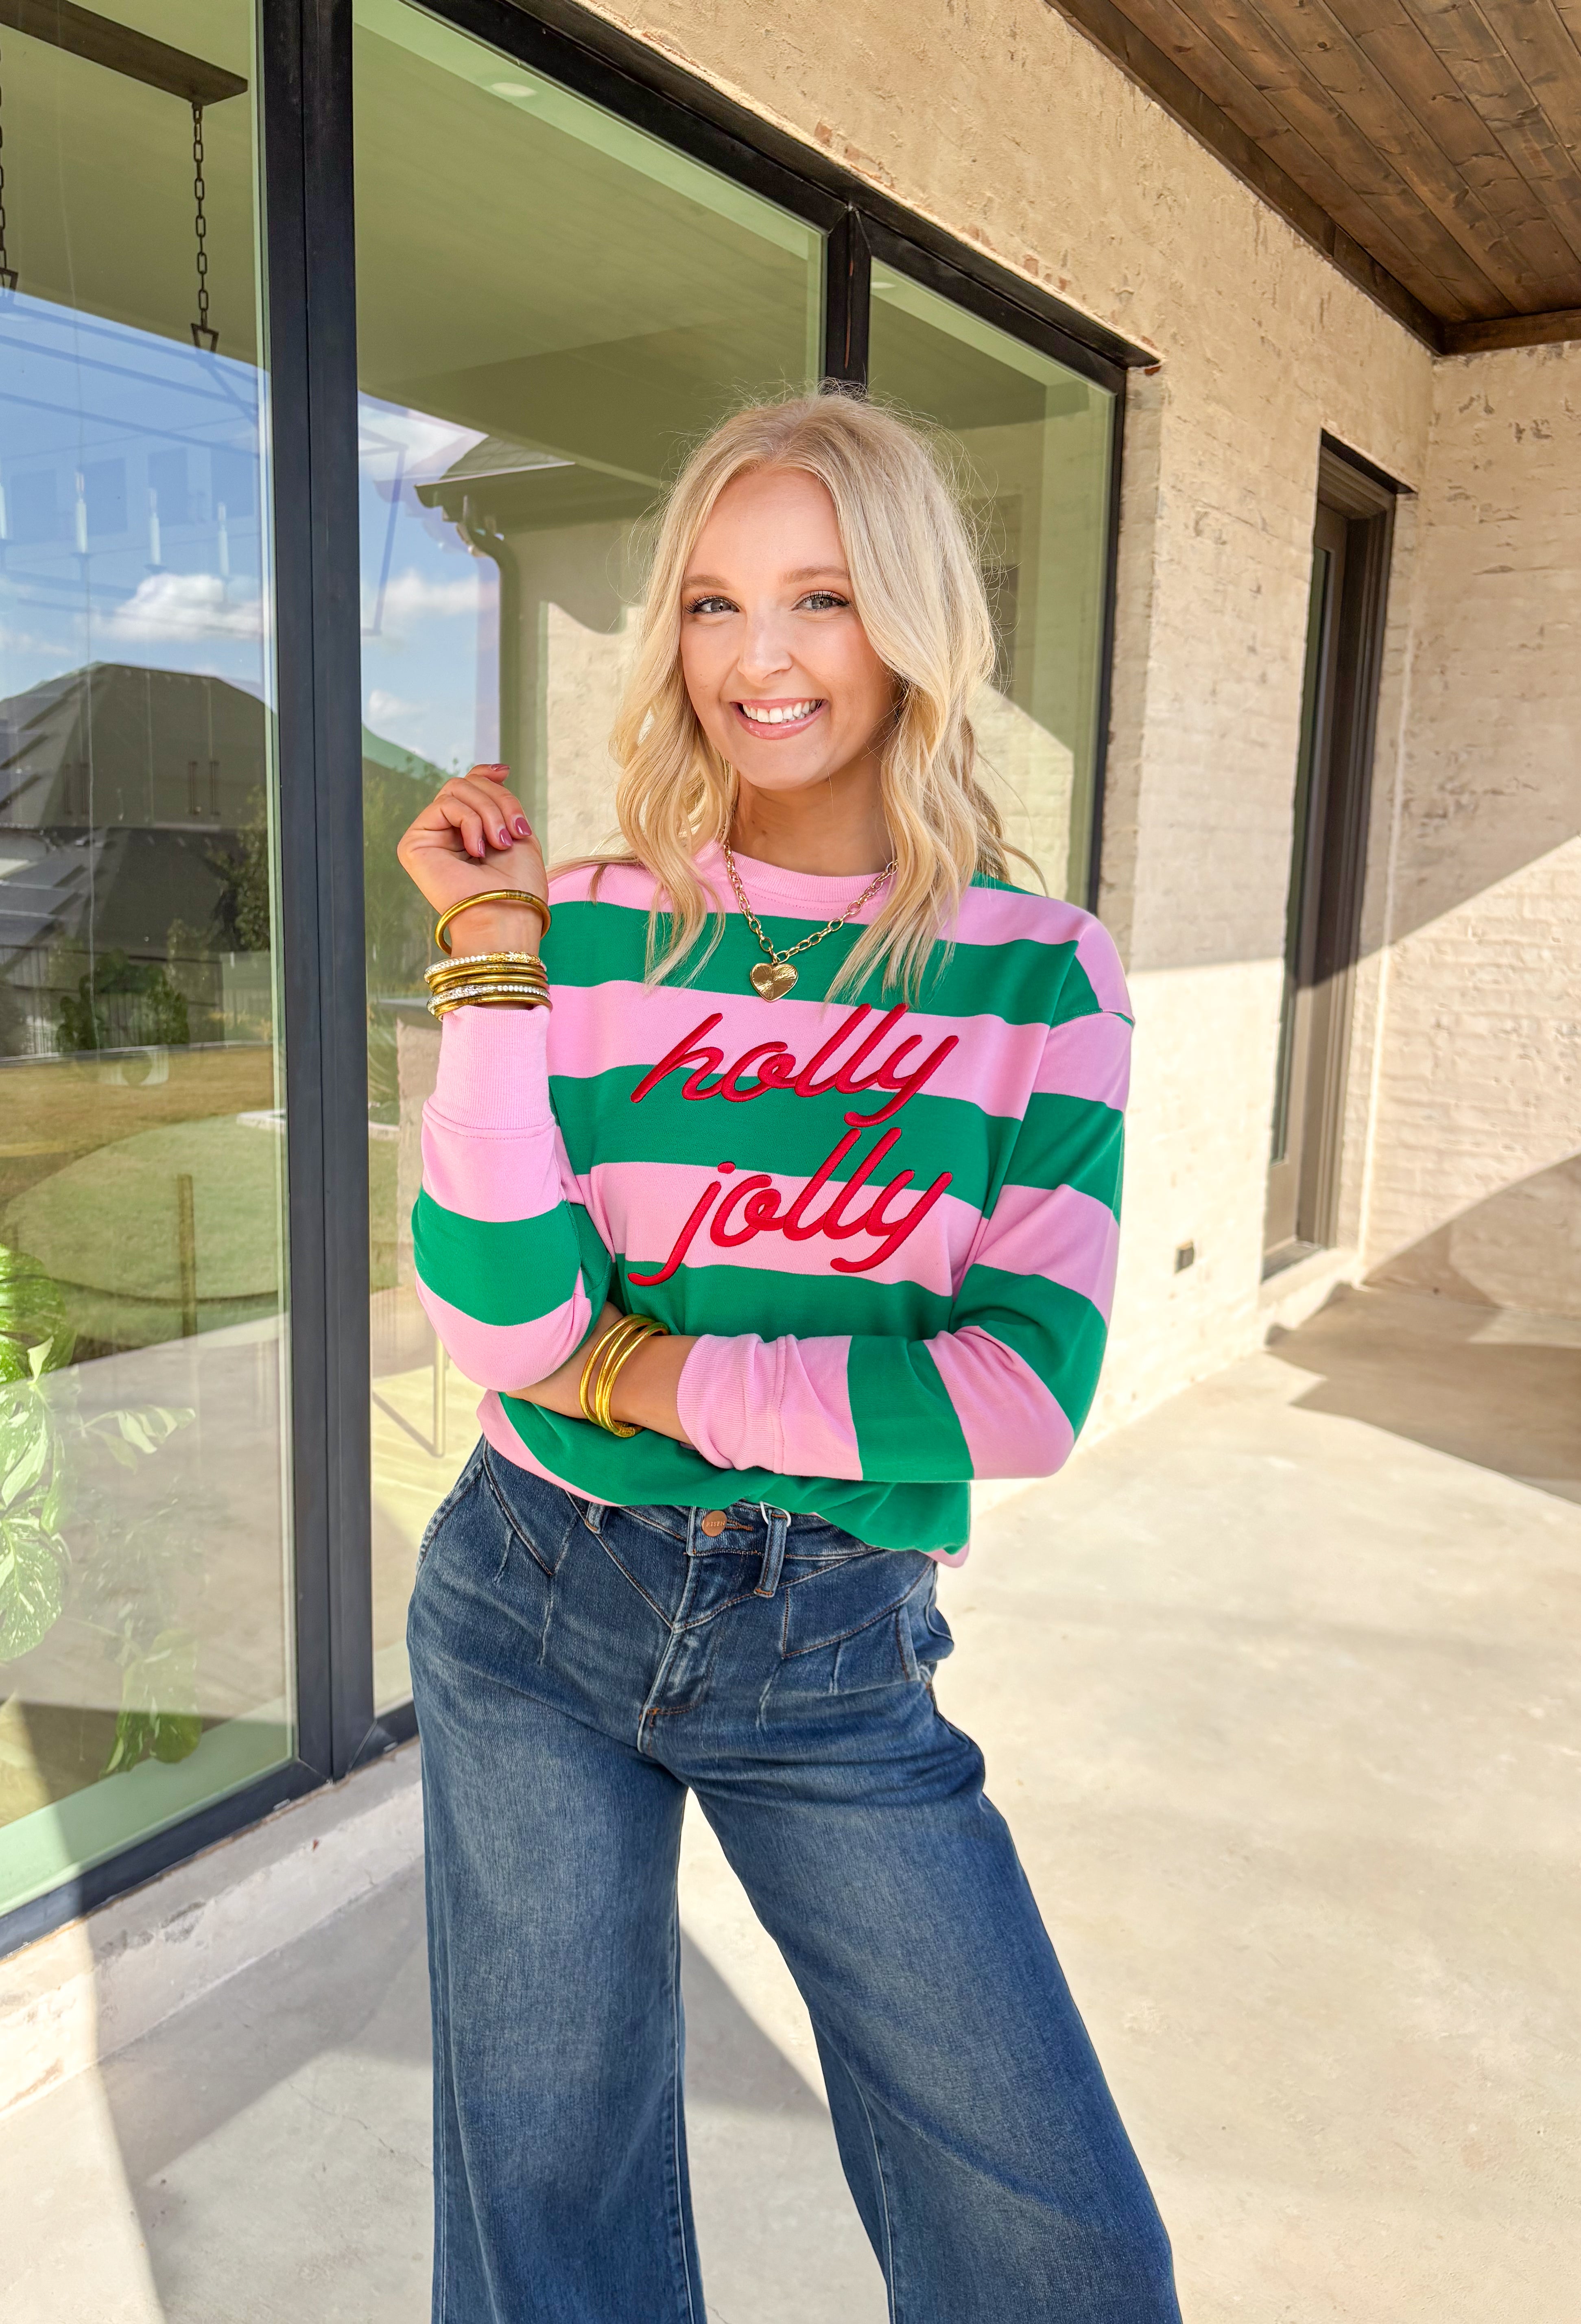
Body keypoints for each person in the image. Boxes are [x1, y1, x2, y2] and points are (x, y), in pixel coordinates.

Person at [396, 389, 1180, 2324]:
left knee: (1055, 2245)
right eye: (714, 605)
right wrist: (494, 955)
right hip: (530, 1600)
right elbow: (504, 1325)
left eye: (820, 599)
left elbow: (1020, 1394)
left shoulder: (1036, 974)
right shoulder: (581, 931)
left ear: (908, 619)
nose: (761, 660)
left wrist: (655, 1379)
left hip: (827, 1646)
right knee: (544, 2216)